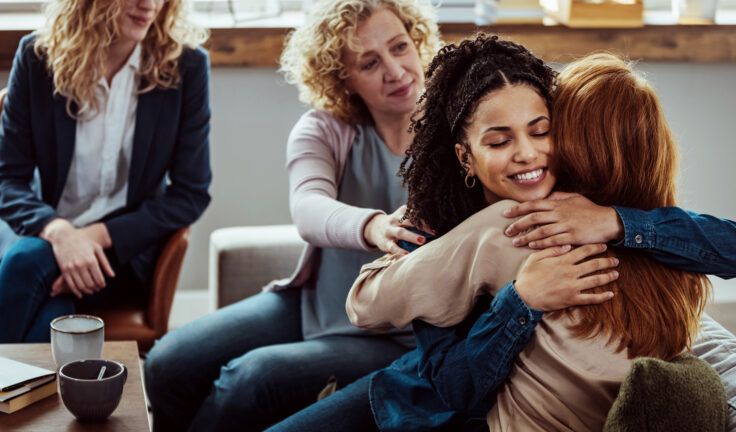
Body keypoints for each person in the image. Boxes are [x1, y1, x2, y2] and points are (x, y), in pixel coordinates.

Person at [274, 35, 736, 432]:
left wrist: (616, 221)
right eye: (498, 141)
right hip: (415, 396)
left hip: (456, 403)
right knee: (259, 387)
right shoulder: (456, 225)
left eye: (542, 131)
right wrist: (522, 300)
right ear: (465, 155)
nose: (527, 154)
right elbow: (426, 360)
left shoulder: (579, 213)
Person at [143, 1, 442, 430]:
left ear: (417, 42)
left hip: (398, 335)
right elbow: (308, 208)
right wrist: (374, 226)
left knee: (249, 378)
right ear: (344, 79)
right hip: (314, 303)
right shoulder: (324, 129)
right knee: (168, 360)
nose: (395, 70)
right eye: (369, 62)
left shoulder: (457, 131)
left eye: (400, 47)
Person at [0, 0, 211, 344]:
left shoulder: (186, 66)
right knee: (30, 267)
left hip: (118, 253)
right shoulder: (38, 56)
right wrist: (60, 233)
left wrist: (93, 237)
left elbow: (190, 194)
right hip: (34, 231)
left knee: (37, 289)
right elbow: (4, 180)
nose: (149, 5)